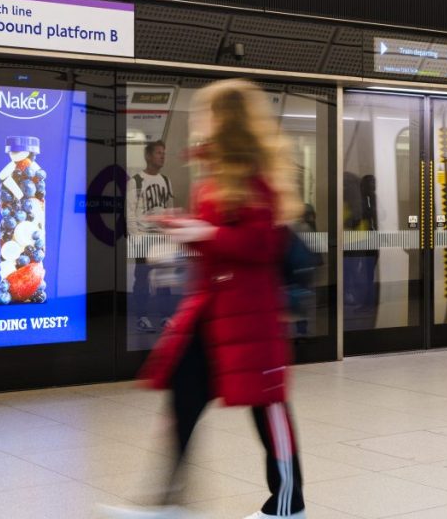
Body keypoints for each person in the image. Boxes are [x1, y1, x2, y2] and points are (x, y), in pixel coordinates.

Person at [102, 80, 306, 519]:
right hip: (212, 310)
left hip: (250, 313)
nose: (198, 122)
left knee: (266, 405)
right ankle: (169, 502)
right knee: (184, 393)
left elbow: (264, 243)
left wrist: (205, 232)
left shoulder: (257, 175)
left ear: (226, 120)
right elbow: (220, 239)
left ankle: (289, 507)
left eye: (205, 114)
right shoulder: (213, 175)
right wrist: (184, 231)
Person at [126, 140, 174, 333]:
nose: (162, 156)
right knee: (143, 277)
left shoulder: (165, 180)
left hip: (161, 237)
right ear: (148, 156)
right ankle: (142, 317)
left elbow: (168, 209)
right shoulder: (136, 181)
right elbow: (129, 212)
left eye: (164, 153)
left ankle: (165, 316)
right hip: (143, 236)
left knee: (163, 279)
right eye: (158, 153)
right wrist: (136, 237)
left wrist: (170, 234)